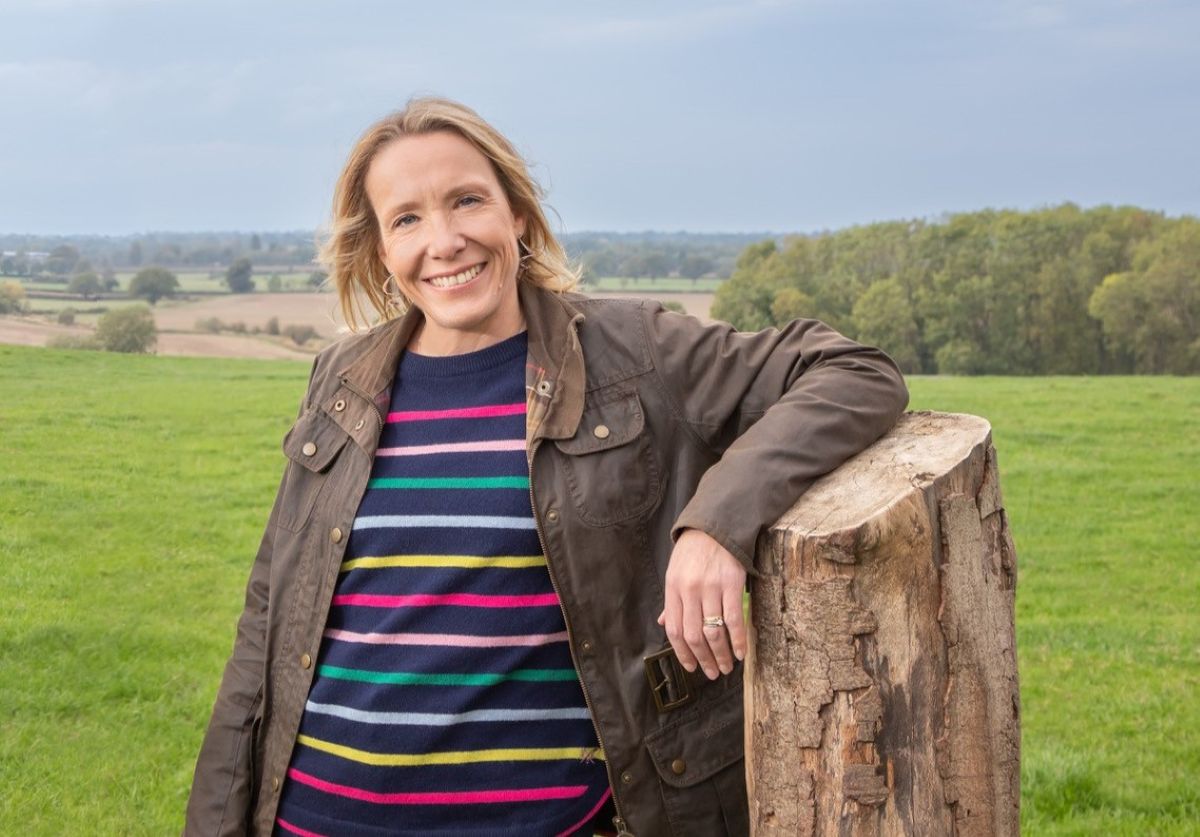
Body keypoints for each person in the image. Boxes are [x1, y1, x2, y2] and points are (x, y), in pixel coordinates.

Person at [185, 97, 908, 837]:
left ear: (519, 215)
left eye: (468, 201)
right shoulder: (341, 380)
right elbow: (266, 626)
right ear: (378, 251)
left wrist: (717, 522)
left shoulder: (633, 353)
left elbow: (853, 371)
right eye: (406, 219)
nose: (444, 241)